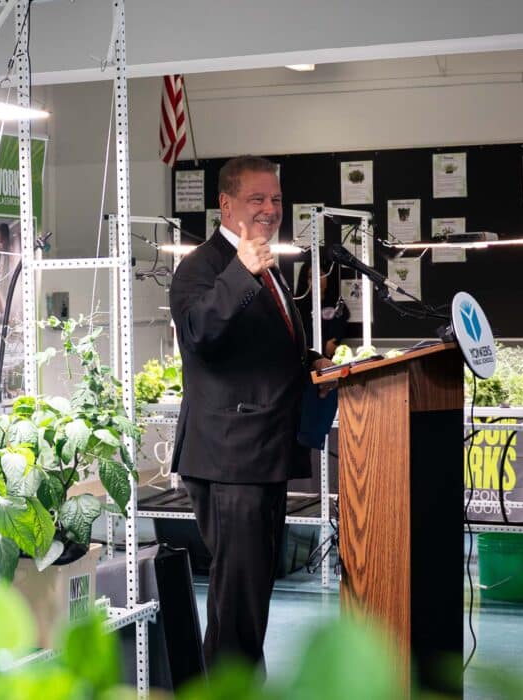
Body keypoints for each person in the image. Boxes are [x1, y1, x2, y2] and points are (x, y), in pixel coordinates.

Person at [168, 155, 332, 671]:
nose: (269, 209)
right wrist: (241, 271)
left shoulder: (267, 264)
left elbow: (261, 346)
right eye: (256, 198)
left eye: (276, 199)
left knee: (252, 588)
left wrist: (311, 361)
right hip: (229, 459)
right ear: (226, 204)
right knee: (237, 593)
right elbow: (199, 334)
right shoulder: (203, 266)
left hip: (265, 451)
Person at [293, 252, 350, 357]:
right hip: (306, 357)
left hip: (332, 358)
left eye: (320, 275)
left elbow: (340, 327)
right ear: (305, 280)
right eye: (311, 276)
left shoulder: (336, 303)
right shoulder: (298, 307)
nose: (316, 280)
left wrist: (334, 341)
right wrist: (323, 345)